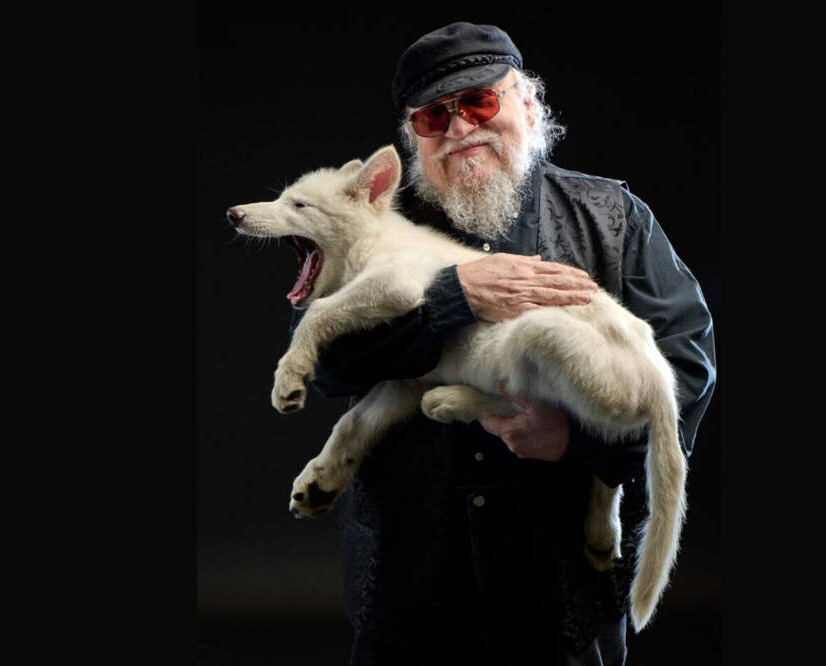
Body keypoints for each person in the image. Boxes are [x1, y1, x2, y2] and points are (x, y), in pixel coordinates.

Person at [288, 22, 716, 666]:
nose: (460, 128)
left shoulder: (614, 216)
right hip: (412, 579)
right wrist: (451, 299)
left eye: (480, 102)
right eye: (434, 117)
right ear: (414, 137)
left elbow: (685, 369)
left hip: (561, 582)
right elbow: (326, 365)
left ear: (529, 104)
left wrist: (579, 442)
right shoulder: (370, 225)